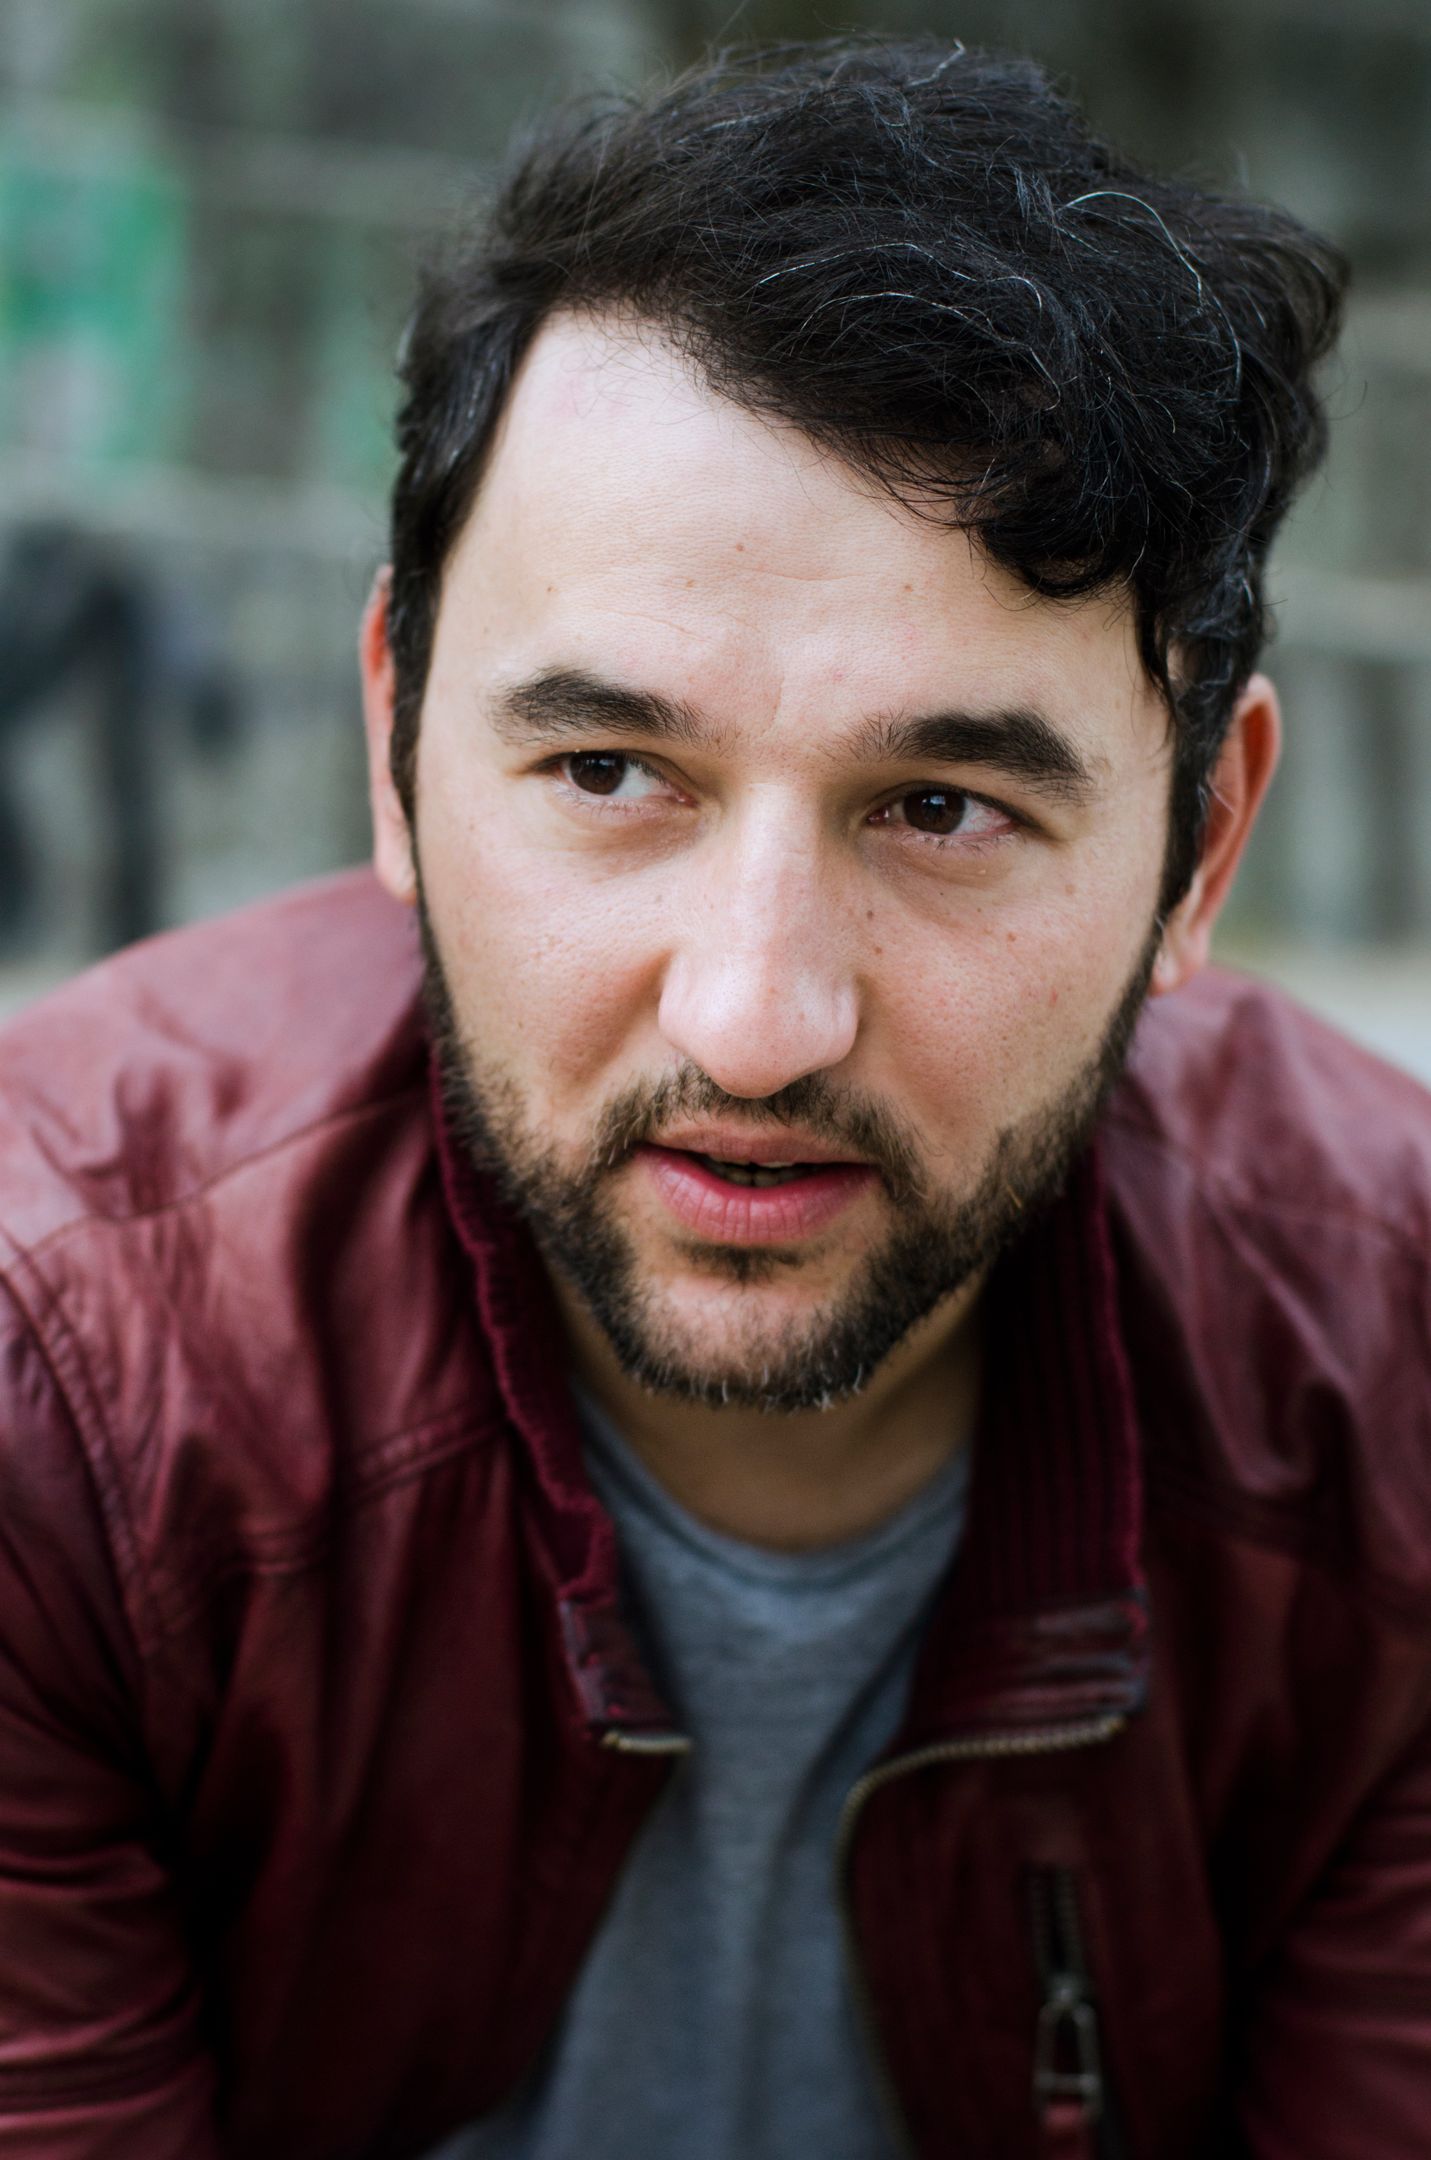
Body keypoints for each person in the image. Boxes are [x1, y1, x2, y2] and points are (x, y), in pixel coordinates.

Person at [1, 34, 1427, 2160]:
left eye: (940, 809)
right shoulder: (59, 1388)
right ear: (395, 740)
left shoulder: (1393, 1381)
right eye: (608, 772)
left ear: (1198, 851)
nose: (755, 1021)